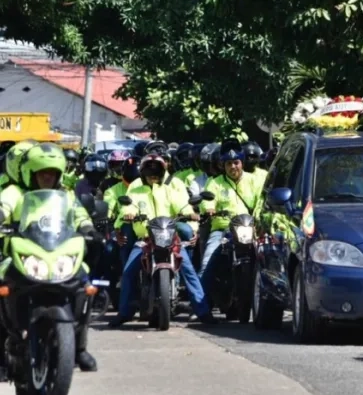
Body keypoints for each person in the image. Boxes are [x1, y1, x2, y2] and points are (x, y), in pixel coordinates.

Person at [9, 143, 100, 371]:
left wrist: (90, 229)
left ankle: (79, 347)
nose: (47, 177)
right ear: (31, 173)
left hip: (56, 252)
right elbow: (3, 206)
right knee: (3, 279)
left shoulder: (66, 196)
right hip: (22, 252)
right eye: (42, 173)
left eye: (52, 173)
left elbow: (79, 214)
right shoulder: (15, 193)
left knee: (84, 282)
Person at [108, 154, 215, 327]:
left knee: (189, 271)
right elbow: (126, 207)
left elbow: (182, 205)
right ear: (142, 172)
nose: (153, 174)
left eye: (156, 170)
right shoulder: (135, 189)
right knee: (128, 273)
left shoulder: (168, 190)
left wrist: (191, 214)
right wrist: (127, 216)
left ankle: (203, 312)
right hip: (145, 240)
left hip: (170, 238)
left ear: (162, 171)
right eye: (149, 170)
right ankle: (124, 312)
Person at [197, 146, 261, 310]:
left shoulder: (254, 181)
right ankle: (201, 307)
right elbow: (207, 201)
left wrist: (259, 215)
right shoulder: (215, 182)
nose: (233, 167)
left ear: (242, 163)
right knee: (206, 264)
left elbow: (261, 202)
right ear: (223, 166)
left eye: (236, 162)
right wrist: (209, 208)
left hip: (249, 229)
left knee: (265, 261)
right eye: (229, 164)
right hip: (223, 230)